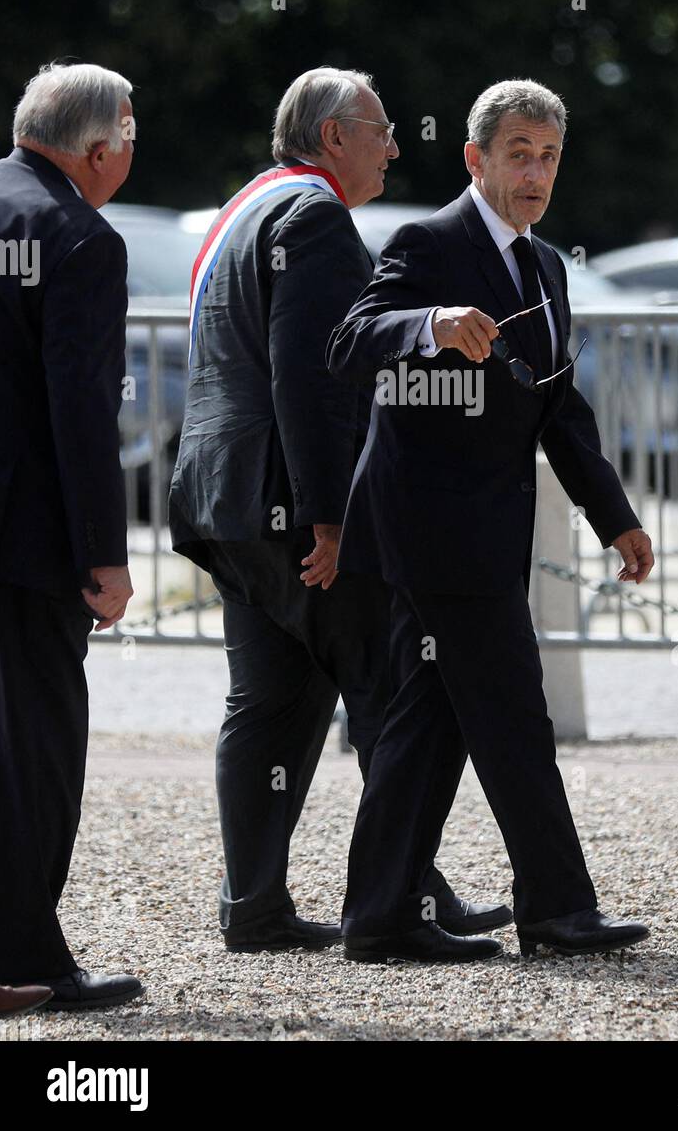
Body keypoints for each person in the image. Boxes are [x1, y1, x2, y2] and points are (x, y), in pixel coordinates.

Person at [169, 67, 509, 953]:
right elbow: (313, 372)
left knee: (273, 700)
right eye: (383, 130)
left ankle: (255, 906)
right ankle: (404, 909)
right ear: (333, 138)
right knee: (392, 695)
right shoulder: (315, 217)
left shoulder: (245, 207)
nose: (395, 147)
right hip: (291, 505)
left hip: (223, 498)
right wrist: (328, 516)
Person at [327, 78, 656, 963]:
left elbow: (558, 407)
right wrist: (429, 323)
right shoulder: (426, 241)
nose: (536, 172)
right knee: (513, 716)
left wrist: (614, 515)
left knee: (426, 727)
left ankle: (381, 917)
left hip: (488, 531)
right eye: (519, 154)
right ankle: (556, 910)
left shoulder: (544, 266)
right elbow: (350, 342)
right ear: (475, 159)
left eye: (548, 156)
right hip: (432, 531)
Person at [0, 62, 141, 1008]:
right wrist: (106, 556)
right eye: (129, 138)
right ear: (97, 149)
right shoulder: (79, 236)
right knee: (37, 747)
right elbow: (80, 413)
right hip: (26, 543)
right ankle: (24, 960)